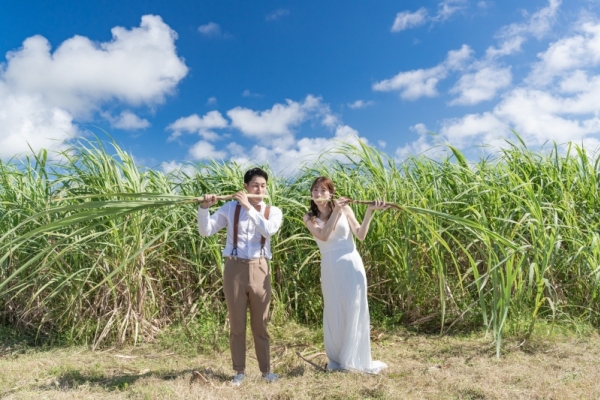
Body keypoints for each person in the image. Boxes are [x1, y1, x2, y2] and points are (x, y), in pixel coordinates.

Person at [197, 167, 282, 386]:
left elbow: (268, 231)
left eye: (263, 186)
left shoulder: (273, 211)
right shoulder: (229, 208)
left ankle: (266, 371)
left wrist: (248, 207)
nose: (259, 189)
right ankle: (239, 371)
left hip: (260, 267)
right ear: (245, 186)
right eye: (255, 185)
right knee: (237, 324)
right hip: (234, 269)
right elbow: (206, 231)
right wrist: (204, 208)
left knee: (260, 324)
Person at [302, 176, 388, 374]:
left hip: (350, 262)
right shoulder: (309, 217)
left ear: (331, 193)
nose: (318, 194)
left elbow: (360, 234)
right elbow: (323, 235)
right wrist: (337, 211)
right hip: (330, 266)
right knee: (334, 310)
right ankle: (338, 358)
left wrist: (369, 211)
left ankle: (355, 359)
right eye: (315, 190)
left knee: (354, 307)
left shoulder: (345, 209)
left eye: (323, 190)